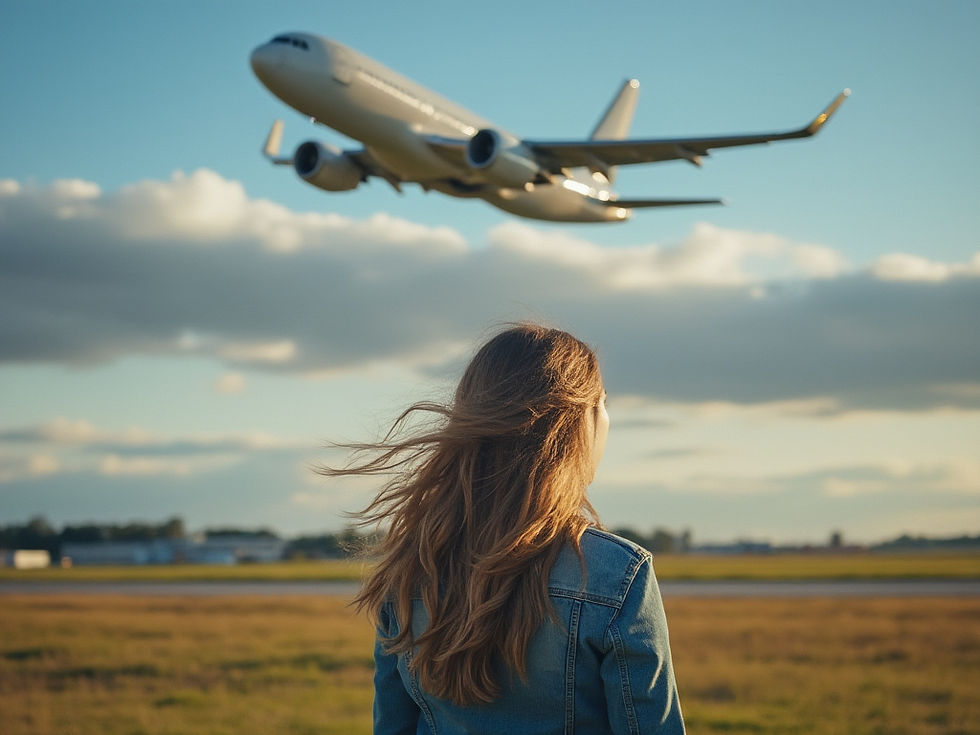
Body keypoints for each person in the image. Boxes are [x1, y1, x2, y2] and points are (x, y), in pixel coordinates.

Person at [321, 324, 685, 734]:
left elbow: (393, 726)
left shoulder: (412, 563)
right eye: (602, 403)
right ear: (577, 424)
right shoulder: (616, 575)